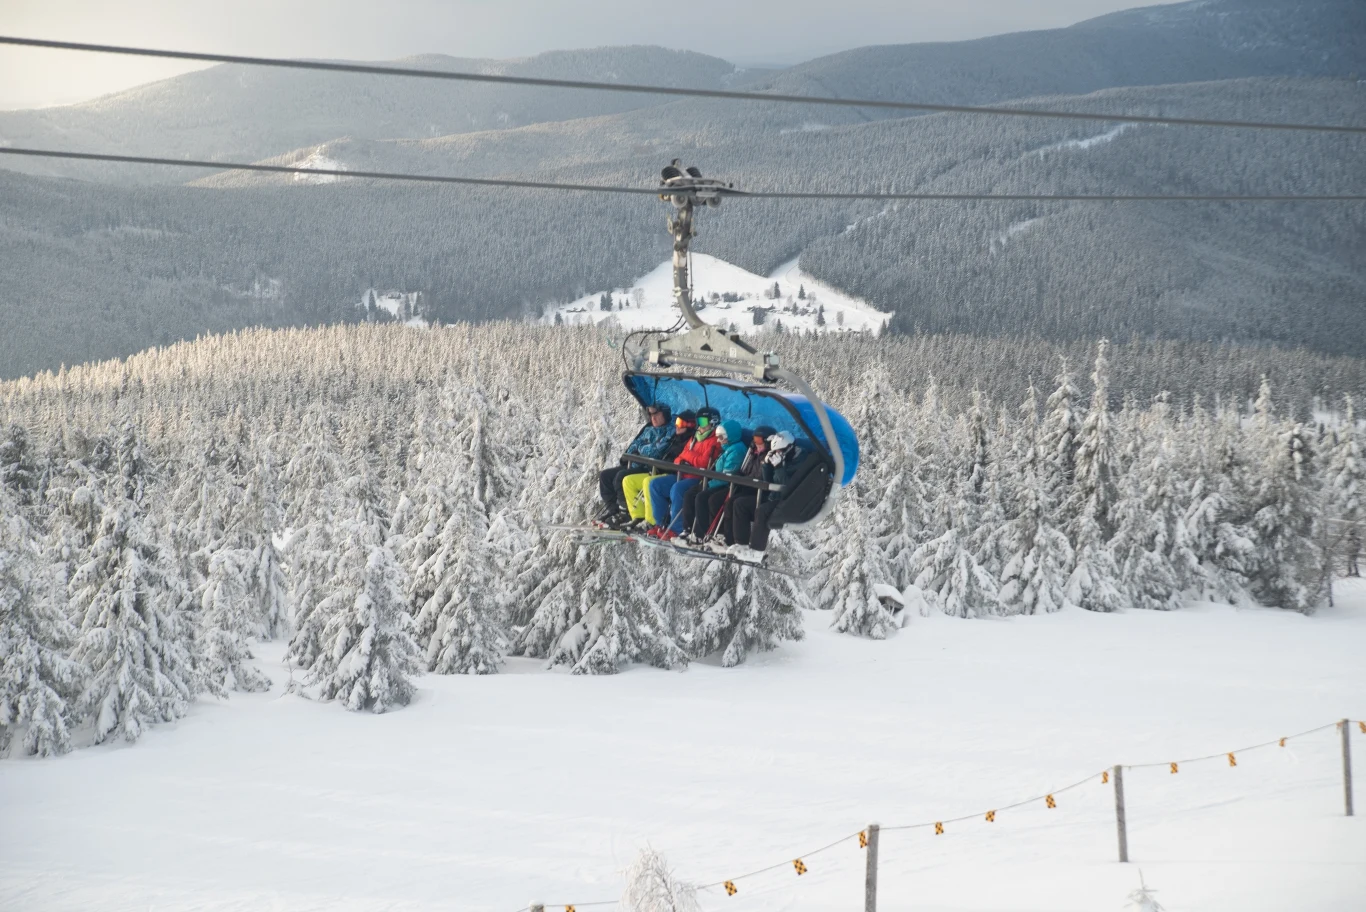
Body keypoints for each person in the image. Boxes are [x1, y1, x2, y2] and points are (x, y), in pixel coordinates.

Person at [647, 406, 722, 541]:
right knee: (655, 484)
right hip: (683, 474)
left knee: (678, 489)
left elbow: (704, 463)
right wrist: (687, 459)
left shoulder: (715, 440)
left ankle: (676, 530)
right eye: (698, 422)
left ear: (713, 422)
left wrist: (688, 457)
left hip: (698, 478)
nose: (700, 425)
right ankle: (660, 525)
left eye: (703, 422)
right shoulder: (695, 437)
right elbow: (678, 459)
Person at [595, 403, 672, 525]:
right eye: (650, 414)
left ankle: (627, 512)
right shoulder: (648, 429)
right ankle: (613, 509)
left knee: (621, 476)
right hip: (636, 464)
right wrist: (643, 449)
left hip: (651, 467)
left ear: (665, 414)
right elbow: (632, 448)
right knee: (606, 476)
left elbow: (656, 451)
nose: (653, 418)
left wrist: (641, 449)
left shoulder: (669, 431)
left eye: (656, 414)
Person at [683, 419, 755, 544]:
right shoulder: (727, 448)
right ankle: (690, 529)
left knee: (706, 498)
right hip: (718, 481)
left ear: (730, 436)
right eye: (718, 437)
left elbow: (727, 474)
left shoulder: (737, 450)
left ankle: (705, 533)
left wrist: (710, 484)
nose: (718, 440)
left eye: (721, 437)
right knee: (691, 494)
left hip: (727, 484)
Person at [620, 410, 694, 528]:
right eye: (676, 422)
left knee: (649, 482)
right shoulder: (675, 439)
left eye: (680, 423)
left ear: (690, 425)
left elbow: (682, 460)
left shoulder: (689, 441)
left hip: (672, 474)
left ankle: (652, 521)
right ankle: (638, 517)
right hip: (661, 470)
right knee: (628, 480)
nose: (676, 426)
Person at [706, 425, 775, 548]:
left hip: (760, 493)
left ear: (768, 441)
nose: (756, 443)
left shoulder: (770, 457)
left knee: (739, 504)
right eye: (754, 439)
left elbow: (763, 478)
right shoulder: (753, 454)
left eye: (759, 440)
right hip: (747, 488)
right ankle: (726, 538)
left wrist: (743, 479)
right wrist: (739, 476)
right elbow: (746, 471)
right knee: (729, 502)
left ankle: (740, 543)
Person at [732, 430, 800, 555]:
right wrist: (766, 466)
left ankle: (757, 551)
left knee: (762, 511)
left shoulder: (797, 461)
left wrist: (779, 468)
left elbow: (787, 484)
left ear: (789, 448)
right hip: (772, 495)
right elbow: (768, 481)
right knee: (740, 504)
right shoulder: (781, 459)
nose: (777, 454)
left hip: (786, 500)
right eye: (775, 451)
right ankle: (741, 544)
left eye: (780, 451)